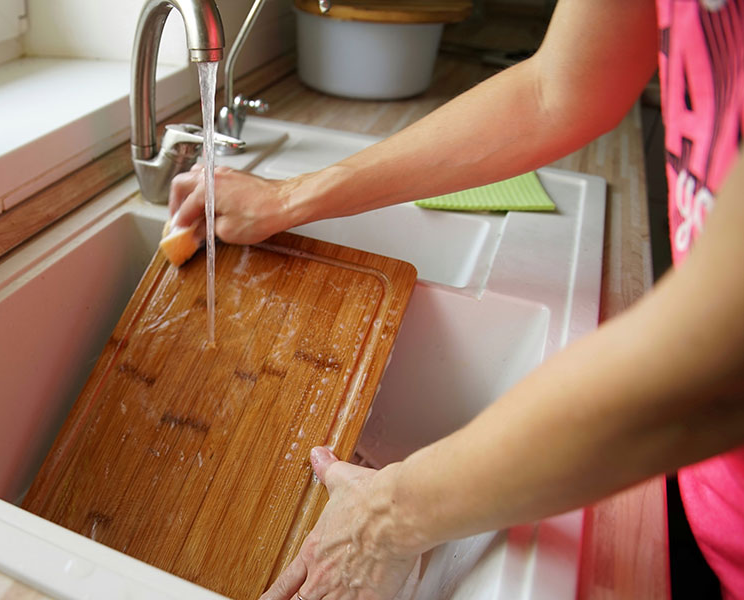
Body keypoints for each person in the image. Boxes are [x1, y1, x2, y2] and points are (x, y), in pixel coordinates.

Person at [167, 0, 744, 598]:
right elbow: (555, 90)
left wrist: (387, 518)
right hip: (713, 506)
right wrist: (290, 199)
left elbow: (717, 373)